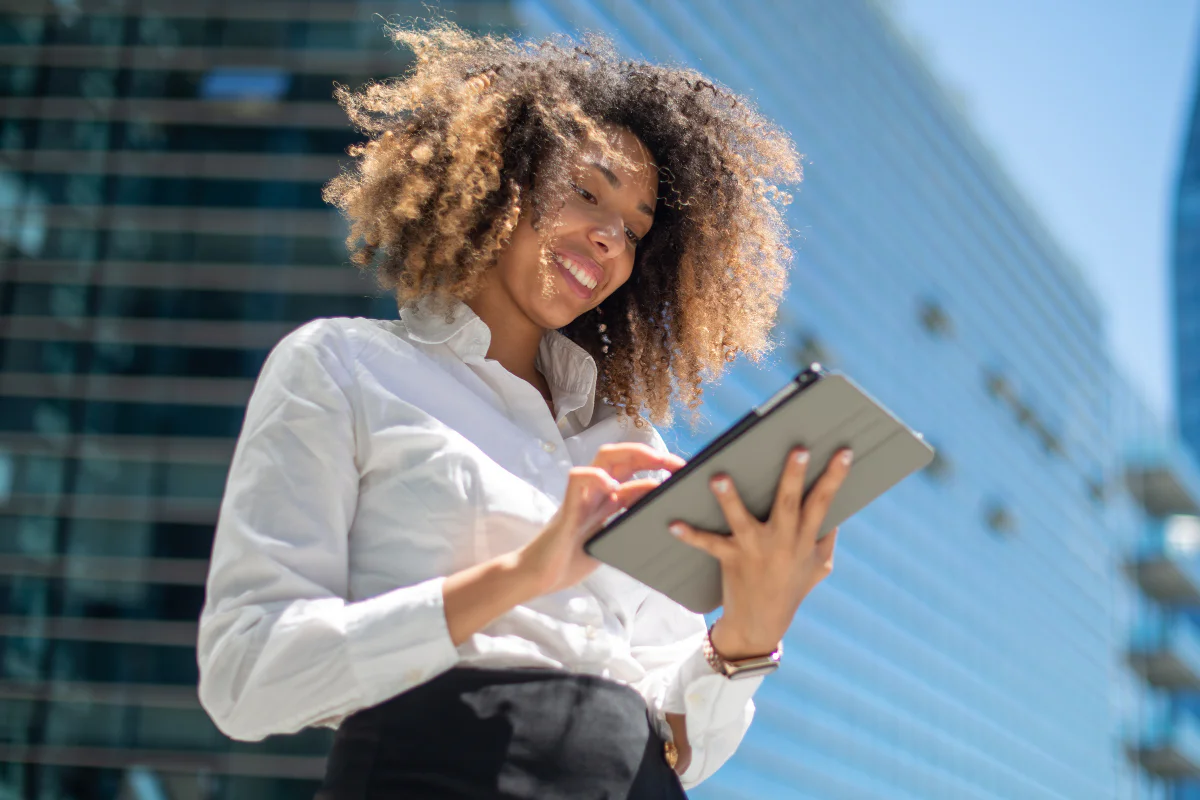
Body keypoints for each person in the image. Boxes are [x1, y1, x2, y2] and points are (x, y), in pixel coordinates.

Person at [197, 23, 849, 799]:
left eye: (636, 230)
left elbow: (678, 748)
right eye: (585, 191)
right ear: (502, 176)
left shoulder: (629, 441)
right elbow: (246, 677)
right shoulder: (342, 367)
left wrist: (750, 632)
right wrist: (521, 574)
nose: (610, 237)